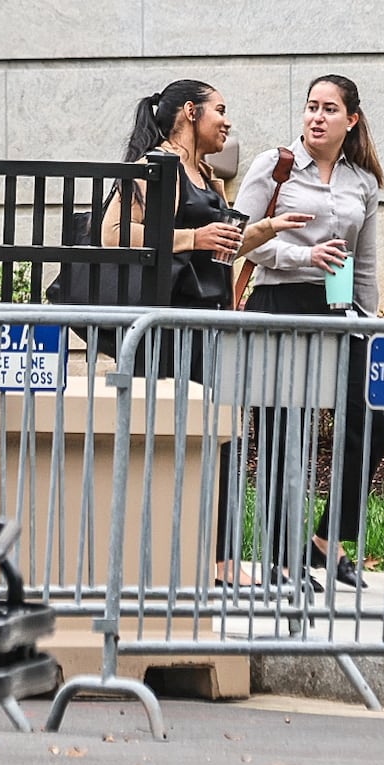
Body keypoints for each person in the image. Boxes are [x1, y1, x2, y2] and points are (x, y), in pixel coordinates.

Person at [101, 79, 309, 587]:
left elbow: (220, 251)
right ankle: (168, 557)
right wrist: (193, 235)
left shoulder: (209, 178)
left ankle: (220, 559)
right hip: (169, 329)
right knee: (175, 440)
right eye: (220, 109)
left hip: (209, 322)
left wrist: (265, 229)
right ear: (190, 112)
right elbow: (113, 235)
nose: (227, 120)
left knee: (223, 440)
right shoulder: (158, 165)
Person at [232, 74, 384, 592]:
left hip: (340, 307)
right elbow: (242, 241)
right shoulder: (274, 166)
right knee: (285, 433)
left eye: (328, 109)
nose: (316, 117)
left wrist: (368, 324)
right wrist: (304, 254)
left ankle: (327, 542)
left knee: (371, 417)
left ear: (352, 119)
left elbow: (362, 262)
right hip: (281, 302)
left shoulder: (361, 181)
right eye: (310, 107)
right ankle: (280, 558)